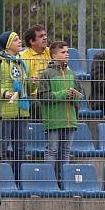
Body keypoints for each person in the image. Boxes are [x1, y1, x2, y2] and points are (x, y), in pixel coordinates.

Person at [0, 31, 34, 180]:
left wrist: (32, 83)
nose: (20, 41)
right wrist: (5, 93)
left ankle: (19, 181)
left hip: (22, 111)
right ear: (7, 44)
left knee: (21, 149)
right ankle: (3, 180)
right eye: (16, 39)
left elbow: (27, 88)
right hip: (4, 112)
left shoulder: (21, 62)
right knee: (3, 148)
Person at [38, 41, 83, 182]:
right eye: (63, 52)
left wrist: (75, 97)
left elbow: (80, 95)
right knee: (52, 152)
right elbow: (43, 97)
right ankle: (49, 182)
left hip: (70, 120)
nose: (67, 54)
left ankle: (64, 183)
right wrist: (63, 94)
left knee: (65, 153)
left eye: (67, 52)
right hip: (53, 120)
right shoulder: (46, 74)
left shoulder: (72, 73)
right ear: (54, 55)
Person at [19, 24, 49, 119]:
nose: (45, 38)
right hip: (32, 97)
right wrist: (30, 81)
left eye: (45, 35)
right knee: (38, 105)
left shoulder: (51, 52)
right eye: (41, 36)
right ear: (32, 41)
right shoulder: (22, 57)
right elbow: (20, 80)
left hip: (50, 94)